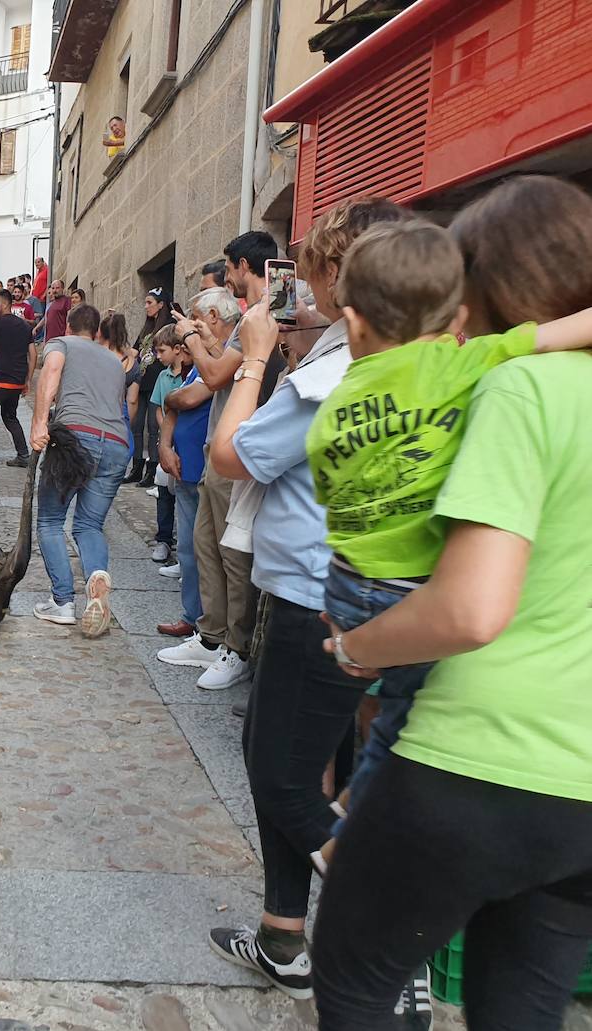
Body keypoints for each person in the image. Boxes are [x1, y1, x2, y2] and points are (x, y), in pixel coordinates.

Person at [310, 175, 592, 1031]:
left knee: (359, 983)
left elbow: (471, 609)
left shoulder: (519, 391)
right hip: (581, 785)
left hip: (476, 753)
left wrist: (362, 649)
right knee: (521, 1007)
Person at [196, 197, 412, 1004]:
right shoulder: (405, 361)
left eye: (313, 277)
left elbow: (231, 455)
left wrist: (253, 359)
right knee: (328, 763)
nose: (298, 292)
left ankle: (391, 927)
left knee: (279, 771)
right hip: (368, 592)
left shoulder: (332, 374)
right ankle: (285, 935)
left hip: (314, 597)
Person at [158, 257, 283, 691]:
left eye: (231, 269)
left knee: (232, 556)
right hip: (217, 454)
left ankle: (236, 646)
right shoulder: (239, 333)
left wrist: (193, 339)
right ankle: (211, 638)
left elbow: (211, 378)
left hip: (237, 457)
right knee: (205, 545)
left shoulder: (255, 330)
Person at [30, 303, 127, 639]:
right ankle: (97, 575)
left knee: (50, 521)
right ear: (97, 331)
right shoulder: (114, 361)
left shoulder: (62, 344)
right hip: (116, 443)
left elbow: (52, 372)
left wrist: (40, 422)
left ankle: (62, 602)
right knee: (89, 525)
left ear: (69, 326)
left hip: (76, 437)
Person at [152, 326, 209, 639]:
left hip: (204, 470)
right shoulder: (193, 369)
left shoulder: (217, 360)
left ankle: (206, 625)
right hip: (183, 468)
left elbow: (183, 399)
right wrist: (165, 445)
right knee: (187, 548)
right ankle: (191, 615)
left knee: (205, 551)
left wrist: (174, 399)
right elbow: (173, 406)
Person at [128, 287, 175, 485]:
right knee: (137, 426)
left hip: (158, 382)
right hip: (142, 382)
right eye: (145, 302)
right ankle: (136, 466)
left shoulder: (168, 326)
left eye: (150, 303)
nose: (146, 306)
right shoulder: (146, 328)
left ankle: (152, 468)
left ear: (161, 304)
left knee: (154, 427)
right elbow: (135, 350)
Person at [0, 288, 38, 468]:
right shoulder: (25, 326)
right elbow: (33, 354)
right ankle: (23, 455)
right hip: (16, 381)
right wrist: (28, 380)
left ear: (5, 303)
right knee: (10, 416)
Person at [41, 280, 71, 344]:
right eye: (53, 288)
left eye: (57, 288)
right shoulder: (51, 304)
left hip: (60, 339)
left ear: (62, 288)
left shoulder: (67, 300)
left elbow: (69, 319)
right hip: (49, 340)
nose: (54, 290)